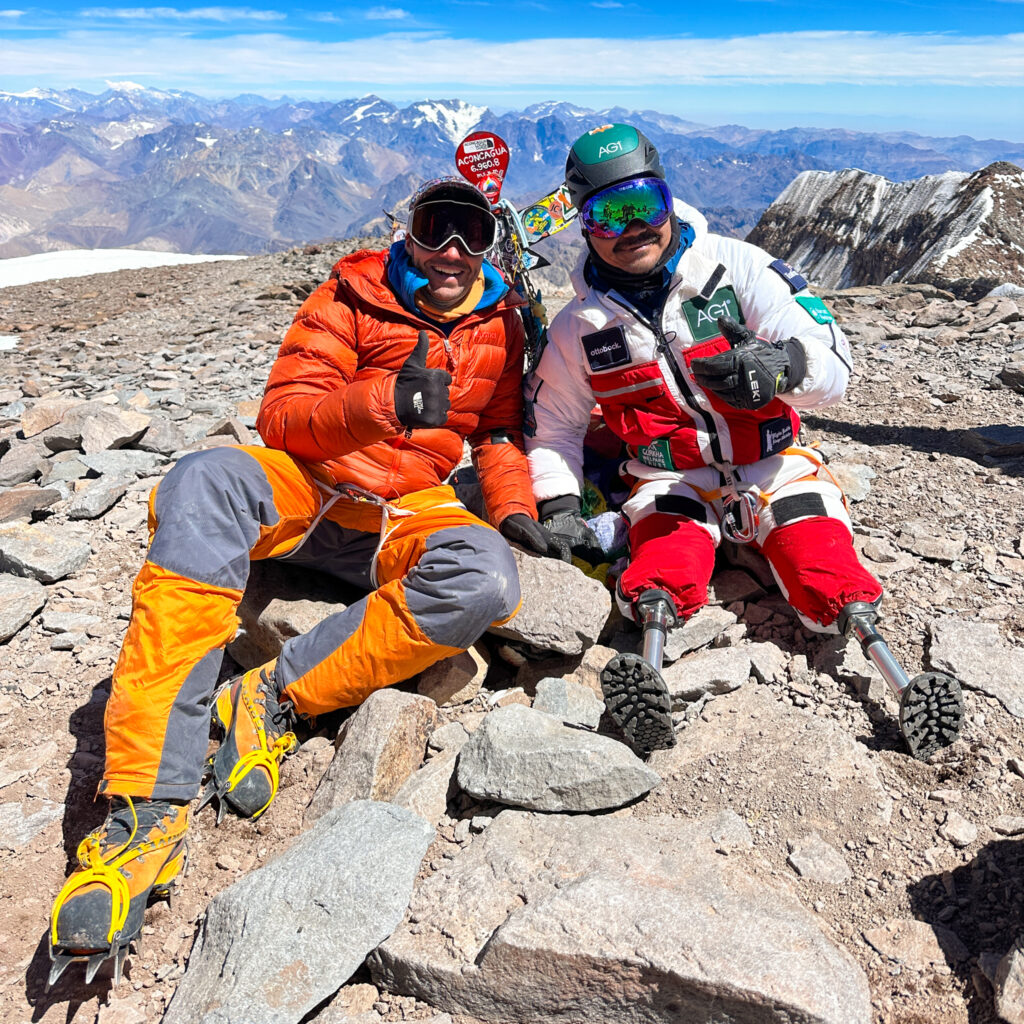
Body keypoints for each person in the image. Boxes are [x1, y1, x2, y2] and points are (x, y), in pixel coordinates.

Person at [47, 176, 569, 986]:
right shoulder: (351, 291)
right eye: (437, 231)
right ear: (411, 234)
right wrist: (381, 403)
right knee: (205, 479)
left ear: (492, 245)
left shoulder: (501, 323)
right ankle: (147, 805)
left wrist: (511, 508)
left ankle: (272, 696)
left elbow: (498, 432)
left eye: (472, 236)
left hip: (405, 506)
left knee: (486, 580)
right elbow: (282, 417)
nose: (453, 255)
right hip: (311, 481)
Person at [526, 124, 884, 757]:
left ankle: (865, 631)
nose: (634, 226)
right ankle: (650, 663)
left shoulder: (739, 269)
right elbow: (553, 423)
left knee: (821, 563)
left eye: (647, 204)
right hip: (670, 477)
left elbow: (834, 359)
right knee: (662, 563)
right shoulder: (577, 327)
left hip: (773, 463)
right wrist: (556, 502)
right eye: (611, 213)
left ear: (669, 199)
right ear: (585, 223)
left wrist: (785, 368)